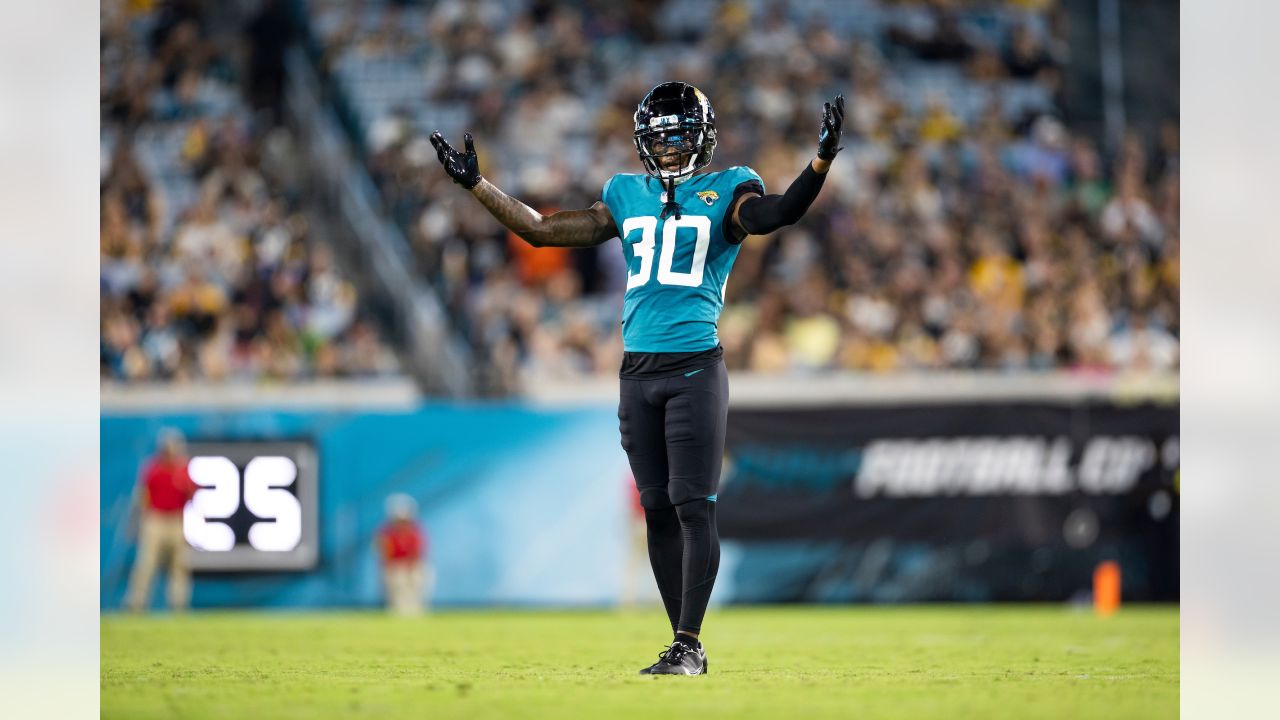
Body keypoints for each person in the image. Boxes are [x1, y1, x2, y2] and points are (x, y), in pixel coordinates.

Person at [430, 81, 844, 674]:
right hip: (637, 370)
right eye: (660, 139)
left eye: (679, 139)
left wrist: (820, 161)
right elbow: (542, 230)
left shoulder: (728, 187)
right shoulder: (625, 194)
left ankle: (691, 643)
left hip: (696, 365)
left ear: (701, 140)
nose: (670, 150)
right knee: (656, 509)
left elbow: (778, 213)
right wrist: (476, 185)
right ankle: (680, 643)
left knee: (693, 505)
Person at [124, 428, 198, 613]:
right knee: (146, 564)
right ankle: (137, 602)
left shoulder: (183, 470)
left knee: (179, 565)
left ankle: (178, 603)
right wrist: (142, 519)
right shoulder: (154, 469)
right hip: (156, 519)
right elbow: (144, 496)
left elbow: (192, 495)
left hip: (176, 520)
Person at [378, 494, 430, 616]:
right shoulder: (386, 534)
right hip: (395, 566)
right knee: (397, 581)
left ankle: (416, 610)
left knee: (419, 577)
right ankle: (397, 610)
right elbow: (385, 554)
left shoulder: (415, 532)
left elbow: (417, 553)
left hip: (411, 566)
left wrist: (410, 567)